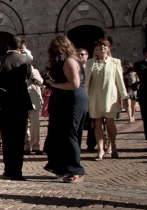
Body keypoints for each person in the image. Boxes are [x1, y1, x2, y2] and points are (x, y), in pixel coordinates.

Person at [0, 35, 34, 181]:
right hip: (20, 103)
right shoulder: (26, 60)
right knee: (19, 137)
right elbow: (27, 76)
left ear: (7, 45)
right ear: (20, 46)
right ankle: (17, 171)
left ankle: (9, 170)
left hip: (4, 104)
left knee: (7, 137)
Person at [44, 36, 88, 183]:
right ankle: (61, 166)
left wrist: (53, 84)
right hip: (66, 99)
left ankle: (75, 169)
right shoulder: (71, 60)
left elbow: (74, 84)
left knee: (70, 133)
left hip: (72, 100)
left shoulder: (70, 61)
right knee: (61, 133)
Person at [84, 38, 127, 161]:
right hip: (94, 97)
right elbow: (87, 81)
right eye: (99, 46)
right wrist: (84, 97)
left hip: (110, 96)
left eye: (105, 46)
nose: (102, 47)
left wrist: (124, 96)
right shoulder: (90, 62)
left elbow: (119, 80)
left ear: (108, 48)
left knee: (110, 123)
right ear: (96, 49)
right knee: (97, 124)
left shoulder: (115, 62)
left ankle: (113, 146)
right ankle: (100, 149)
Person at [24, 65, 44, 154]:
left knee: (35, 123)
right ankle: (25, 146)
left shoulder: (35, 70)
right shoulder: (16, 69)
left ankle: (36, 146)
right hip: (22, 100)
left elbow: (42, 84)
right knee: (23, 125)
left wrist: (36, 78)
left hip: (34, 101)